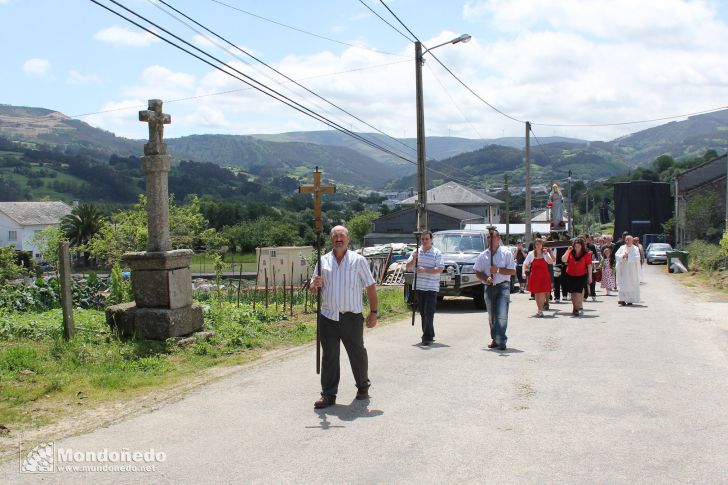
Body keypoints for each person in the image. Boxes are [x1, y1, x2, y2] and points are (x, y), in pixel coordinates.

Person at [311, 225, 378, 409]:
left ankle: (363, 386)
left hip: (351, 316)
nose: (338, 239)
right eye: (335, 236)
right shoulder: (322, 261)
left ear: (348, 239)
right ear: (331, 239)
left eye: (341, 236)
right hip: (328, 316)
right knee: (329, 356)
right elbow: (313, 287)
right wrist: (315, 285)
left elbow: (371, 286)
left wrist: (373, 313)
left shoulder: (358, 261)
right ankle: (328, 394)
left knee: (357, 353)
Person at [474, 229, 517, 350]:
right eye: (488, 237)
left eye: (493, 237)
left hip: (503, 286)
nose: (490, 240)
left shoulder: (506, 253)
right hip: (489, 287)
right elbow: (477, 271)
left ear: (498, 238)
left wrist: (498, 270)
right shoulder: (483, 255)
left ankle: (501, 339)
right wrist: (486, 277)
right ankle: (495, 338)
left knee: (502, 314)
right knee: (492, 315)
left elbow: (512, 271)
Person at [405, 230, 444, 345]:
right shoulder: (416, 252)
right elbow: (408, 267)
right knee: (422, 312)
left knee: (429, 311)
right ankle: (429, 334)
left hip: (431, 287)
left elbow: (440, 269)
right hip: (419, 286)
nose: (424, 241)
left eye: (427, 239)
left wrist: (425, 270)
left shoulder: (437, 252)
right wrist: (414, 259)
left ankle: (426, 337)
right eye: (422, 239)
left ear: (431, 240)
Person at [523, 238, 554, 317]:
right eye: (537, 244)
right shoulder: (531, 254)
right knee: (537, 293)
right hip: (535, 276)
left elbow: (550, 261)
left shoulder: (545, 253)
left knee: (543, 292)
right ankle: (539, 310)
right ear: (534, 245)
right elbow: (525, 263)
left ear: (542, 245)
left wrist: (547, 253)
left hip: (544, 275)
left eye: (540, 244)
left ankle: (541, 308)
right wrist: (524, 272)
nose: (538, 245)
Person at [561, 237, 592, 317]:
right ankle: (575, 308)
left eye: (578, 246)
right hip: (570, 274)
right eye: (575, 246)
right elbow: (563, 260)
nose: (576, 247)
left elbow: (589, 265)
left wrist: (590, 277)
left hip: (581, 275)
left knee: (578, 292)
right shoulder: (570, 252)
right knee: (573, 292)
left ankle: (577, 308)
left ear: (582, 246)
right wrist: (568, 250)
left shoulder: (587, 254)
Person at [615, 235, 641, 306]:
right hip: (623, 269)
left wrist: (628, 256)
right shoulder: (622, 247)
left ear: (632, 241)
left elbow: (637, 258)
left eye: (629, 240)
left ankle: (630, 300)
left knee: (630, 284)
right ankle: (622, 300)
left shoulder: (635, 248)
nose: (627, 241)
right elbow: (616, 255)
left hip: (631, 270)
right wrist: (622, 256)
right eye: (626, 240)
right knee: (622, 283)